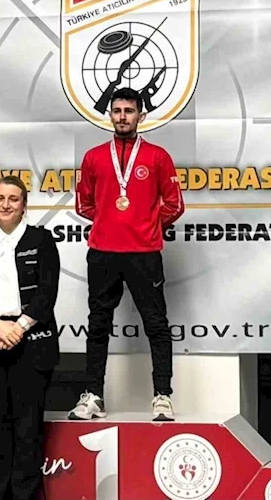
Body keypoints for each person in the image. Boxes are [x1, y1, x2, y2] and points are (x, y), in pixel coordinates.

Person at [68, 87, 185, 422]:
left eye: (129, 111)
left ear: (141, 116)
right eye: (117, 111)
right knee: (98, 325)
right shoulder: (93, 157)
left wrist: (145, 224)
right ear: (110, 115)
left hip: (144, 253)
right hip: (103, 253)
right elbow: (84, 203)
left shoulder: (158, 156)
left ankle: (162, 395)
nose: (122, 117)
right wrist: (111, 222)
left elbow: (175, 204)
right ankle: (93, 395)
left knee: (156, 324)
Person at [0, 175, 60, 500]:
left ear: (24, 204)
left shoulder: (42, 240)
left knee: (28, 433)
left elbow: (47, 293)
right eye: (0, 198)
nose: (6, 205)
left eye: (13, 199)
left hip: (32, 345)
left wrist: (18, 328)